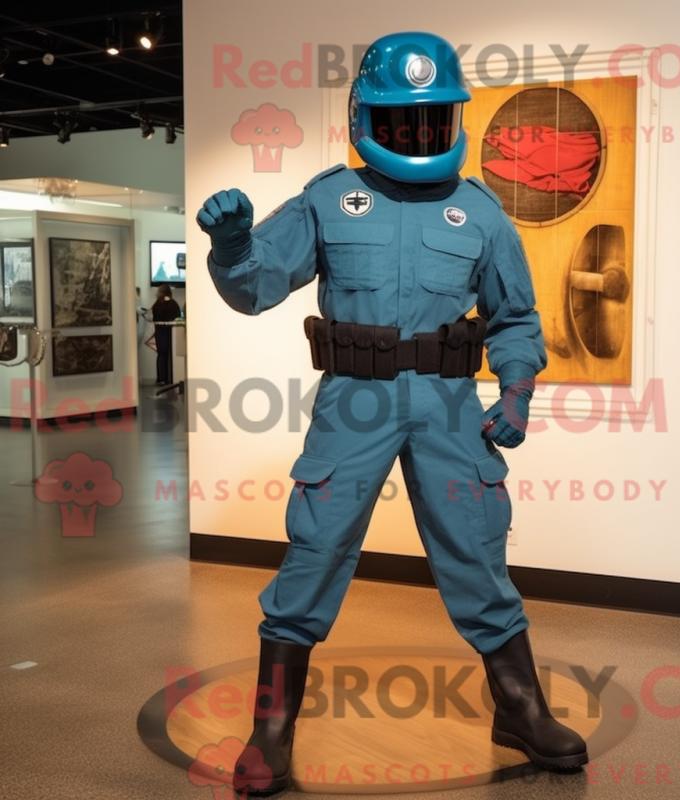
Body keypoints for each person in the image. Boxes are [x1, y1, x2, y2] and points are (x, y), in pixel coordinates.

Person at [198, 31, 587, 796]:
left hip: (449, 405)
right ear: (365, 118)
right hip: (355, 400)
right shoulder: (327, 200)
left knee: (476, 549)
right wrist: (234, 246)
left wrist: (516, 389)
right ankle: (271, 729)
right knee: (316, 550)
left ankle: (520, 707)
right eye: (404, 119)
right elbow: (256, 289)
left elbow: (515, 317)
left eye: (435, 117)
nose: (420, 132)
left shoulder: (479, 212)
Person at [151, 283, 181, 385]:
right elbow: (177, 317)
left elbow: (154, 317)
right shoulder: (174, 304)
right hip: (171, 332)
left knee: (161, 355)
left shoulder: (157, 304)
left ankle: (161, 379)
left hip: (160, 332)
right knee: (170, 355)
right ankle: (171, 378)